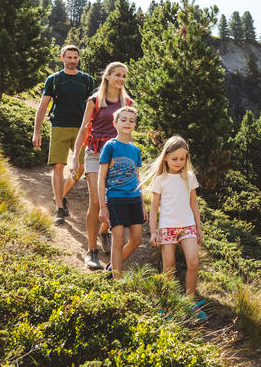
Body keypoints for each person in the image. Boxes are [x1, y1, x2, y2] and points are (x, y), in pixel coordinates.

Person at [68, 61, 133, 270]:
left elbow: (128, 131)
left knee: (112, 200)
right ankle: (91, 250)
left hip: (117, 157)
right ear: (107, 76)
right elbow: (82, 130)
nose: (121, 79)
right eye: (117, 75)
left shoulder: (127, 102)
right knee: (96, 201)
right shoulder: (95, 101)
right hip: (95, 154)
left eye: (124, 75)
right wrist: (74, 158)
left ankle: (103, 231)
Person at [31, 45, 94, 225]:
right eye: (69, 57)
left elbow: (93, 107)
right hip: (59, 125)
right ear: (62, 58)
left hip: (82, 128)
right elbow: (43, 106)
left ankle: (61, 195)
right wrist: (36, 131)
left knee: (81, 167)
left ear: (79, 59)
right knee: (58, 166)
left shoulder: (87, 80)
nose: (72, 60)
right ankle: (59, 207)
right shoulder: (54, 79)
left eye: (75, 57)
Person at [145, 135, 204, 299]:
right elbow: (154, 208)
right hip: (167, 228)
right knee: (169, 267)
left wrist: (198, 228)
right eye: (174, 158)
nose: (179, 162)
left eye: (182, 159)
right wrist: (153, 232)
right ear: (165, 157)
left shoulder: (189, 177)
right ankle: (166, 302)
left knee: (193, 262)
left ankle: (190, 301)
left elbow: (194, 204)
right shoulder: (160, 179)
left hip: (188, 226)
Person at [98, 106, 145, 279]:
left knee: (136, 239)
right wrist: (103, 206)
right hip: (115, 198)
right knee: (117, 239)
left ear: (135, 125)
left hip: (134, 199)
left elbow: (138, 179)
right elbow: (101, 177)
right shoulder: (110, 146)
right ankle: (117, 281)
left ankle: (112, 267)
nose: (127, 123)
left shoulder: (136, 150)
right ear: (115, 123)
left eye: (131, 120)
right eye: (123, 120)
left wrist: (142, 205)